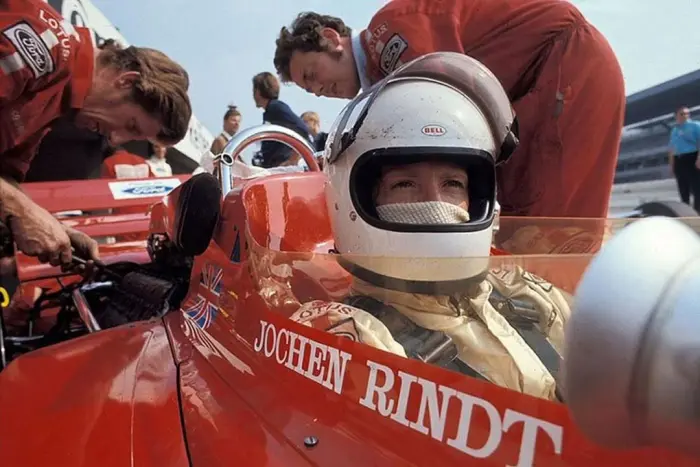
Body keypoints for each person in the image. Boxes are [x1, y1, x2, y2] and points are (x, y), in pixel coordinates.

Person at [280, 53, 572, 401]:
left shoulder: (522, 290)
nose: (435, 203)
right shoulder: (353, 334)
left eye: (453, 184)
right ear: (355, 198)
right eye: (405, 185)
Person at [273, 2, 625, 218]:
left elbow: (440, 115)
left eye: (311, 75)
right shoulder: (385, 81)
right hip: (530, 93)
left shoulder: (389, 32)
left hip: (565, 68)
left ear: (331, 39)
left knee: (552, 225)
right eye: (310, 91)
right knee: (520, 215)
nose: (319, 90)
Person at [0, 0, 192, 267]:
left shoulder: (56, 101)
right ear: (126, 81)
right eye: (131, 126)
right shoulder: (44, 44)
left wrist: (52, 227)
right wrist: (22, 211)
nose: (115, 139)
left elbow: (5, 176)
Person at [252, 72, 311, 168]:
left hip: (282, 166)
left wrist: (293, 159)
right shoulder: (270, 111)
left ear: (258, 91)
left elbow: (302, 129)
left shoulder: (276, 107)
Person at [668, 107, 700, 213]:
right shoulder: (675, 130)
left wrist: (699, 158)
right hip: (679, 160)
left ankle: (697, 213)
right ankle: (685, 212)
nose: (685, 116)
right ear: (676, 116)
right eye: (682, 114)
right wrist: (672, 166)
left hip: (692, 157)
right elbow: (672, 149)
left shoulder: (695, 125)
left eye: (687, 113)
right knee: (683, 189)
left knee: (697, 188)